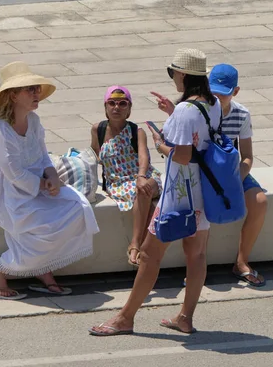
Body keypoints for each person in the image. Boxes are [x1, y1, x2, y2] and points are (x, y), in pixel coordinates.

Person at [89, 48, 221, 336]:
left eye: (172, 72)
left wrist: (161, 144)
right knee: (196, 255)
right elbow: (199, 139)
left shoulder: (187, 110)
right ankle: (185, 317)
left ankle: (125, 318)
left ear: (183, 74)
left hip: (179, 193)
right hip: (203, 191)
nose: (172, 77)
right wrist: (173, 114)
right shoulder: (212, 105)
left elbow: (183, 155)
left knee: (149, 256)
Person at [0, 61, 100, 300]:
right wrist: (43, 185)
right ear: (13, 95)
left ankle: (41, 267)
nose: (36, 94)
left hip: (32, 182)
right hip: (0, 188)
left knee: (78, 207)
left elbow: (42, 155)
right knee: (41, 224)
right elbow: (13, 173)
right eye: (29, 89)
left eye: (36, 88)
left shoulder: (34, 121)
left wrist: (51, 175)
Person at [208, 64, 268, 287]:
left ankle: (242, 261)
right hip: (204, 171)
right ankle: (196, 266)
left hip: (230, 170)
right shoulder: (200, 113)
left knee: (260, 201)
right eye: (213, 93)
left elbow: (248, 157)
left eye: (222, 94)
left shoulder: (241, 114)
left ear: (235, 92)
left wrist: (235, 179)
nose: (217, 98)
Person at [90, 86, 162, 267]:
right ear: (105, 107)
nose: (117, 108)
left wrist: (141, 175)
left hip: (141, 174)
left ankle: (135, 244)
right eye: (112, 103)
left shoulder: (136, 131)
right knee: (143, 194)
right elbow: (95, 155)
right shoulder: (98, 129)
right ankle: (144, 248)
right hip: (117, 182)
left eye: (122, 104)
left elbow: (144, 155)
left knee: (144, 189)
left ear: (129, 109)